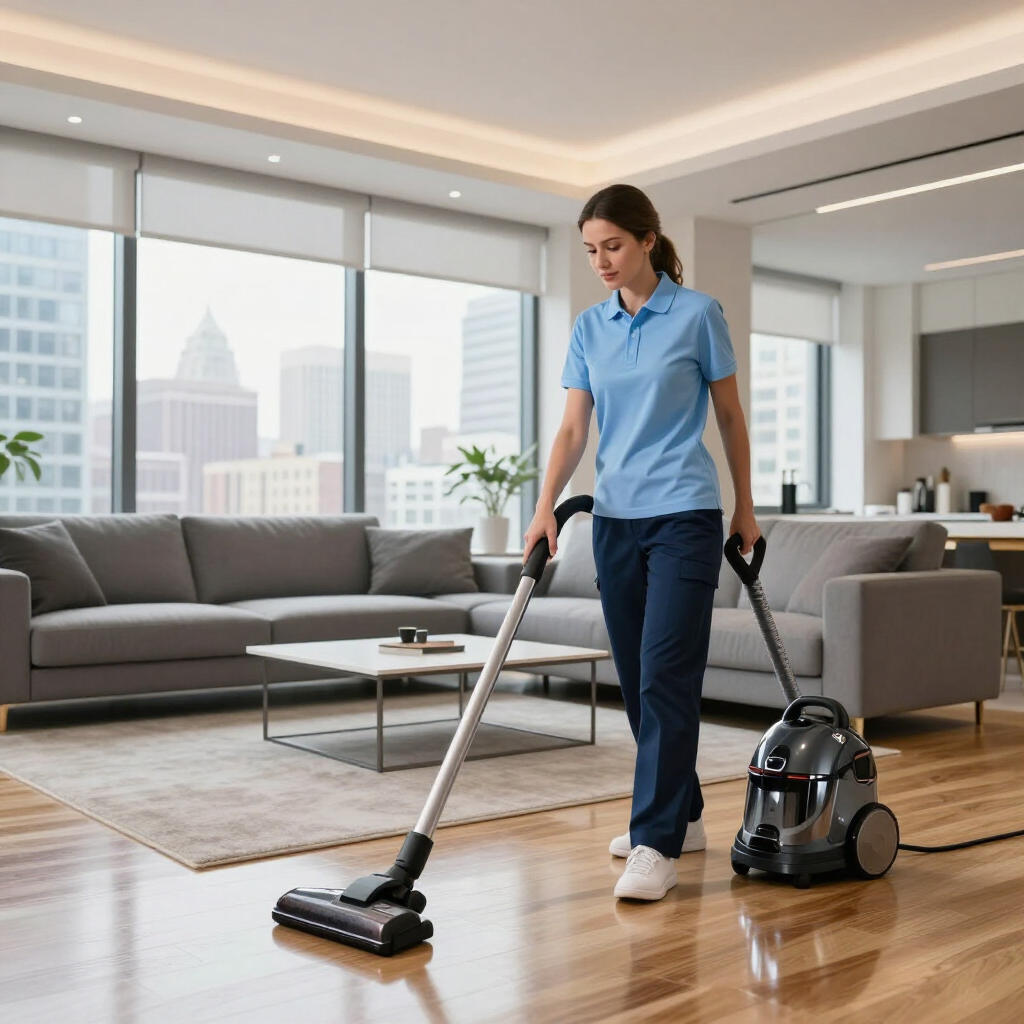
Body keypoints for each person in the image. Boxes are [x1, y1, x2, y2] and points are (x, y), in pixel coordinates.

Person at [523, 184, 760, 902]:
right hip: (615, 521)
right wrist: (545, 509)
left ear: (648, 240)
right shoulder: (590, 328)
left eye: (613, 246)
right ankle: (681, 812)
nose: (601, 260)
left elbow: (729, 415)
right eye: (591, 249)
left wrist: (745, 507)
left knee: (665, 675)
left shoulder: (697, 314)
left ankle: (655, 842)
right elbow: (572, 430)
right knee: (634, 676)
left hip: (686, 515)